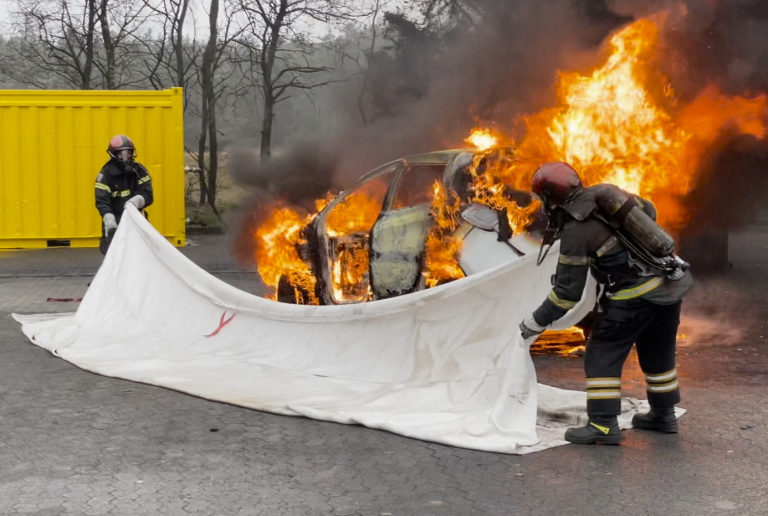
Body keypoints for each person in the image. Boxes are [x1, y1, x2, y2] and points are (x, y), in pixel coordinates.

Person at [519, 162, 693, 445]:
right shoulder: (609, 196)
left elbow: (566, 293)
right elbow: (650, 211)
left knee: (602, 354)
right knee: (657, 351)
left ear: (552, 198)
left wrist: (535, 321)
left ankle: (602, 425)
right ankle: (663, 415)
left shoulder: (576, 230)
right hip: (670, 285)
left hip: (634, 297)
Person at [94, 135, 153, 254]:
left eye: (129, 153)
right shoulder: (105, 175)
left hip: (135, 221)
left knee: (140, 255)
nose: (126, 157)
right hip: (114, 222)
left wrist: (138, 201)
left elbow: (148, 195)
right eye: (121, 154)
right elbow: (102, 201)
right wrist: (109, 220)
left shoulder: (139, 171)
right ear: (113, 154)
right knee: (114, 254)